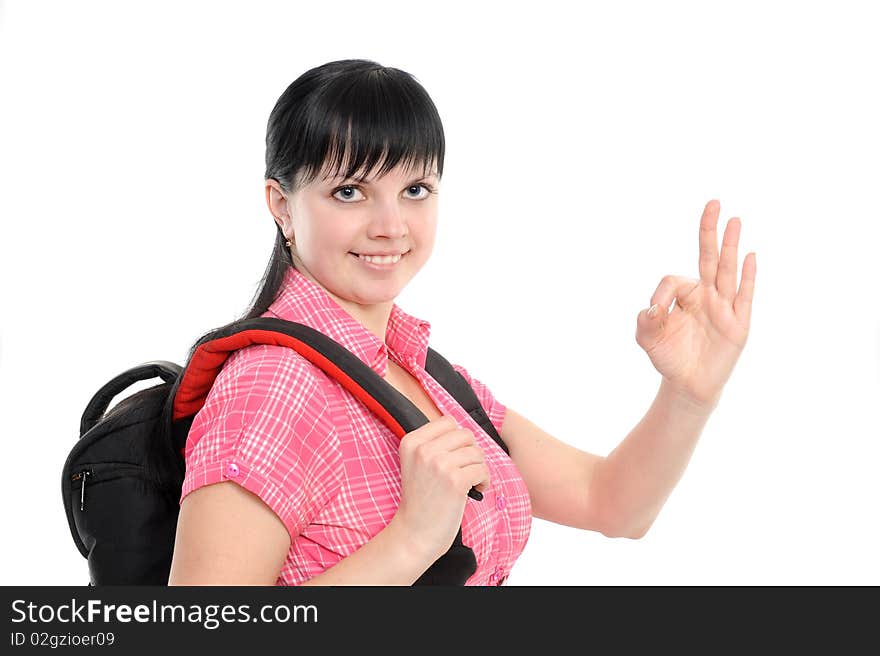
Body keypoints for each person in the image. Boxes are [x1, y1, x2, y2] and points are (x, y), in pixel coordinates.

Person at [167, 59, 757, 586]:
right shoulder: (272, 388)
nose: (391, 225)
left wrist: (688, 393)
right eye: (350, 192)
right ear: (281, 205)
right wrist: (412, 541)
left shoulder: (428, 376)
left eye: (415, 189)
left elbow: (611, 504)